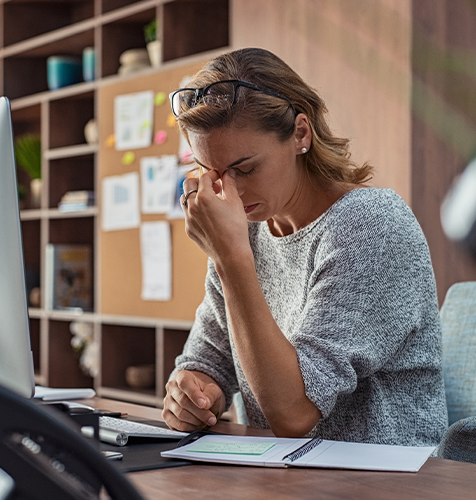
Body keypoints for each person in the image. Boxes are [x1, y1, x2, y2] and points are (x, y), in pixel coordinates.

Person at [162, 47, 448, 446]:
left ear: (301, 133)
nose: (230, 191)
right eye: (212, 172)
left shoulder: (371, 225)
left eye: (245, 169)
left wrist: (230, 258)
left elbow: (294, 413)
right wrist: (191, 391)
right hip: (283, 475)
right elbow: (209, 359)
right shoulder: (246, 232)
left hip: (386, 481)